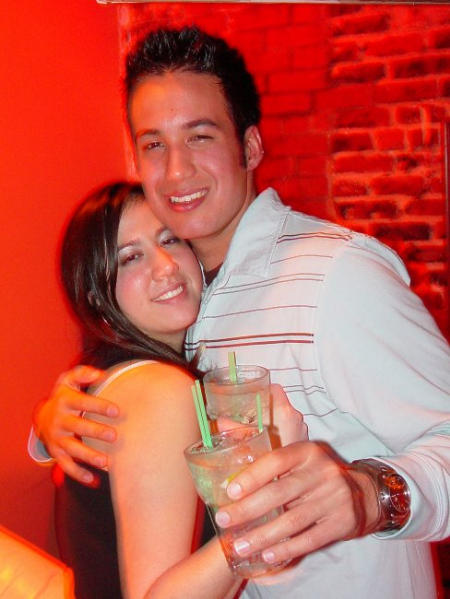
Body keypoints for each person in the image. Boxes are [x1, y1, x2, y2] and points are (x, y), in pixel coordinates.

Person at [31, 27, 450, 599]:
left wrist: (368, 495)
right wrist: (50, 425)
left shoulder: (337, 276)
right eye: (154, 145)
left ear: (249, 148)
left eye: (199, 136)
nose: (176, 171)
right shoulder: (177, 297)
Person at [44, 181, 304, 599]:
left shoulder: (119, 378)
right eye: (131, 257)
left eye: (169, 239)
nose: (165, 265)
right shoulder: (160, 390)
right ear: (95, 296)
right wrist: (269, 487)